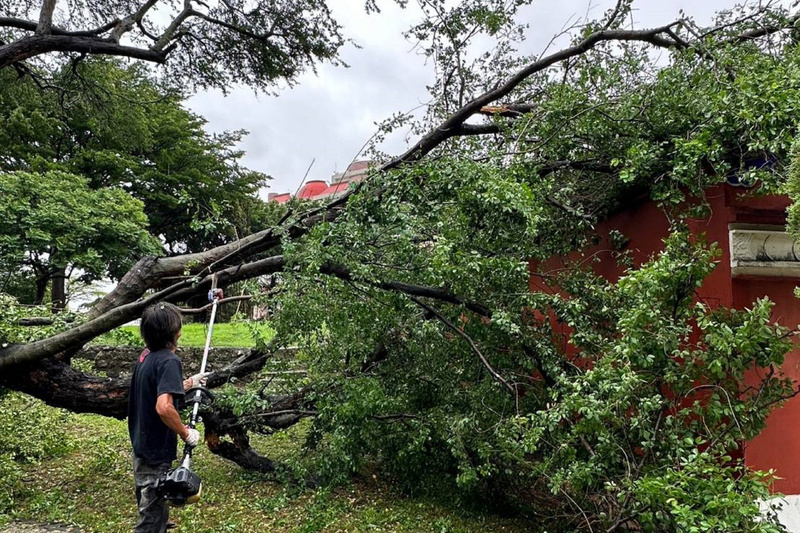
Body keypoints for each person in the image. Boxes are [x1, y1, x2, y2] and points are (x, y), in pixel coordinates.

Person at [128, 302, 209, 533]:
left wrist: (188, 383)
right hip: (155, 449)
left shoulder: (146, 356)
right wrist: (186, 433)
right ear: (173, 333)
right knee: (150, 517)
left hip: (141, 443)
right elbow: (164, 407)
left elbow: (157, 387)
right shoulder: (169, 361)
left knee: (150, 500)